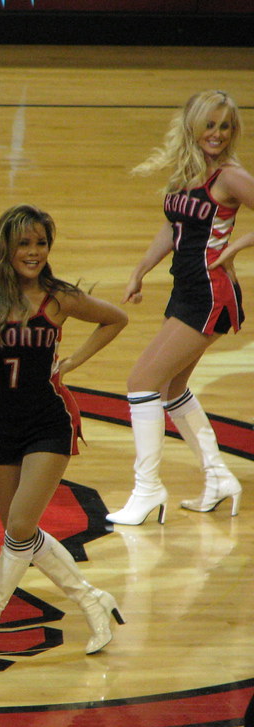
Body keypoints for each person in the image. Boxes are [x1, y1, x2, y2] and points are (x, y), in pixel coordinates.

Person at [0, 204, 129, 670]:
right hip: (1, 425)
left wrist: (74, 362)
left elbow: (115, 319)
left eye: (41, 243)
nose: (33, 252)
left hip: (50, 419)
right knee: (17, 531)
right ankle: (93, 601)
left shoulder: (58, 298)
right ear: (4, 245)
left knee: (20, 527)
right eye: (24, 243)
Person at [108, 89, 251, 526]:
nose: (217, 134)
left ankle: (148, 489)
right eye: (209, 125)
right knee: (169, 388)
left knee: (142, 380)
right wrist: (140, 270)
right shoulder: (187, 172)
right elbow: (173, 229)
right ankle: (218, 477)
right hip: (185, 287)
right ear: (192, 126)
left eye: (225, 127)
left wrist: (243, 243)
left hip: (210, 292)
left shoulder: (229, 176)